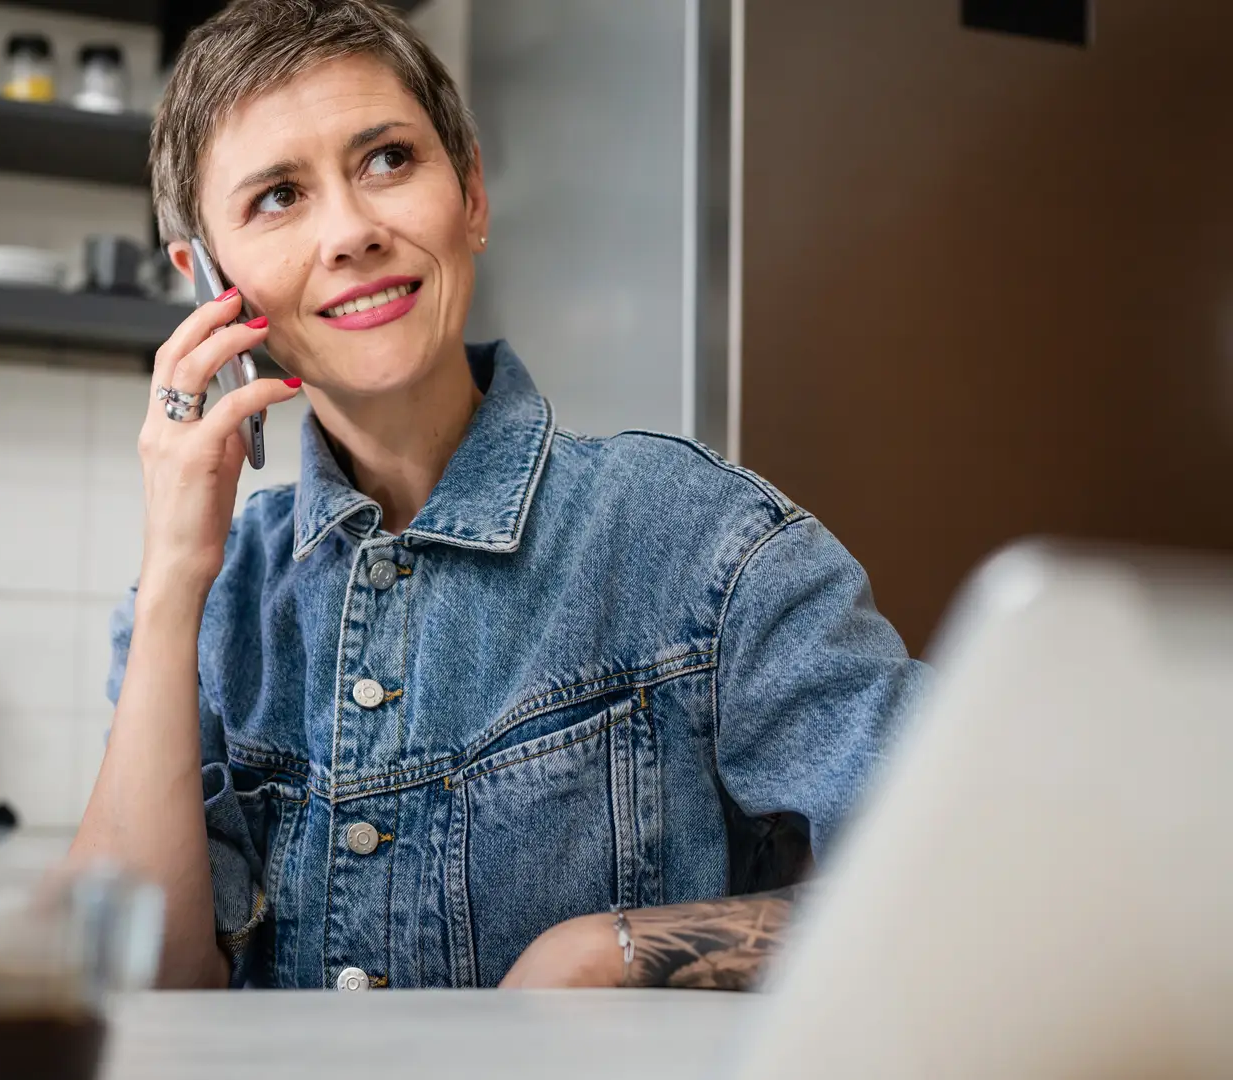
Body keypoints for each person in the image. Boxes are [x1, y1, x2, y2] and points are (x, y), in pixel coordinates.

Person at [70, 0, 926, 991]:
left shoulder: (706, 543)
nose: (351, 231)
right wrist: (175, 581)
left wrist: (612, 952)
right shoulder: (207, 606)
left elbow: (979, 869)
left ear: (470, 192)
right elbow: (129, 990)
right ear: (206, 278)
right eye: (276, 197)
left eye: (387, 158)